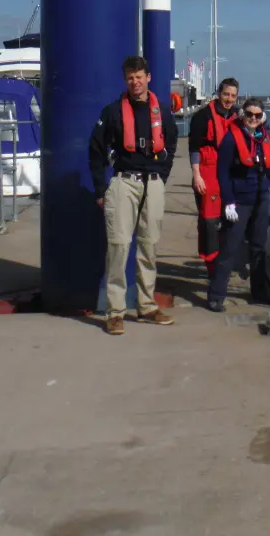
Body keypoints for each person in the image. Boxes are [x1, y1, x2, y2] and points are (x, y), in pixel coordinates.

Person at [88, 55, 179, 334]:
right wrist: (101, 189)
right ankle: (115, 312)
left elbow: (172, 144)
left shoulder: (161, 112)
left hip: (152, 183)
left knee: (149, 245)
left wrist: (161, 178)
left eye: (139, 77)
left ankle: (147, 305)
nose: (135, 82)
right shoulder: (112, 112)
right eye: (130, 77)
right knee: (118, 246)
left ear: (148, 78)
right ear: (125, 80)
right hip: (123, 182)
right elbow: (96, 150)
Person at [211, 97, 270, 310]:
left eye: (258, 115)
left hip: (261, 198)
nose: (253, 118)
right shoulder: (231, 139)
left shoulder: (264, 137)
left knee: (258, 248)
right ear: (243, 115)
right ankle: (215, 296)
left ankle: (258, 292)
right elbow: (222, 173)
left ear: (262, 117)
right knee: (229, 249)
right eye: (249, 114)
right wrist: (228, 202)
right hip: (239, 201)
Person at [188, 77, 240, 279]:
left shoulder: (236, 115)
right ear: (219, 93)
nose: (228, 99)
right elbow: (193, 148)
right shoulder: (202, 117)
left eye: (233, 96)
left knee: (230, 217)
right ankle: (211, 266)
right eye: (226, 94)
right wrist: (196, 176)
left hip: (228, 171)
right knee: (209, 221)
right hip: (207, 171)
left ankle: (225, 261)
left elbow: (258, 123)